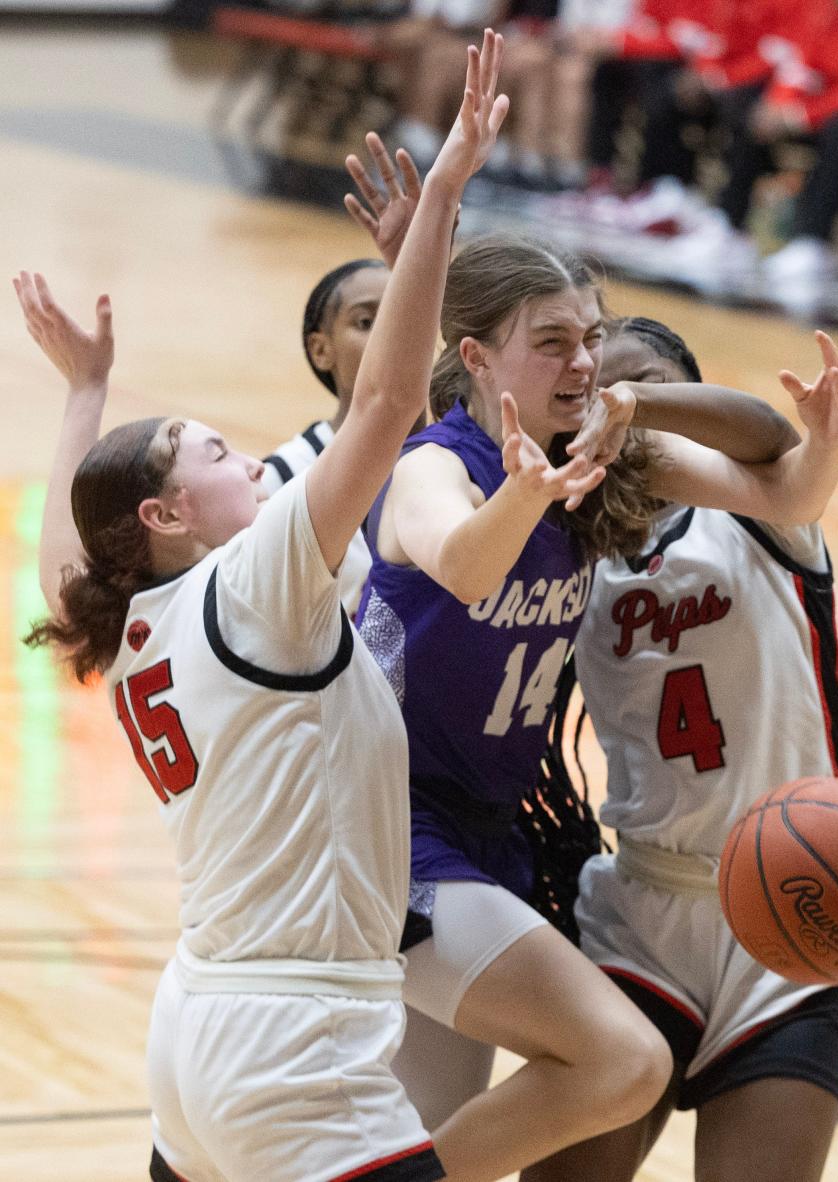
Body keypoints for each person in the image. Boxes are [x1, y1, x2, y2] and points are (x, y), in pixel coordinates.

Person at [18, 30, 510, 1182]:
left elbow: (60, 565)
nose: (249, 460)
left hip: (196, 1035)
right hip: (296, 1042)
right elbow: (385, 402)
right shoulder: (258, 585)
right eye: (216, 452)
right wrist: (442, 200)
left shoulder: (136, 622)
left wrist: (87, 393)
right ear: (167, 516)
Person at [356, 226, 838, 1179]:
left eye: (595, 344)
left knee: (439, 1118)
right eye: (562, 344)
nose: (589, 372)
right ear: (479, 356)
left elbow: (787, 484)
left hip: (497, 838)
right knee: (618, 1063)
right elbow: (466, 566)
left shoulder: (624, 486)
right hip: (390, 822)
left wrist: (821, 438)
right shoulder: (438, 467)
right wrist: (531, 485)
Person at [521, 317, 838, 1182]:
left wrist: (638, 402)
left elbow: (768, 436)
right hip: (637, 912)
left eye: (649, 391)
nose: (623, 413)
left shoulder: (765, 519)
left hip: (791, 916)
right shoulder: (568, 553)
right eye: (600, 394)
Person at [263, 134, 425, 613]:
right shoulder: (281, 478)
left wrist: (423, 260)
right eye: (365, 321)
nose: (388, 334)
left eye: (399, 315)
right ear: (321, 350)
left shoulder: (455, 454)